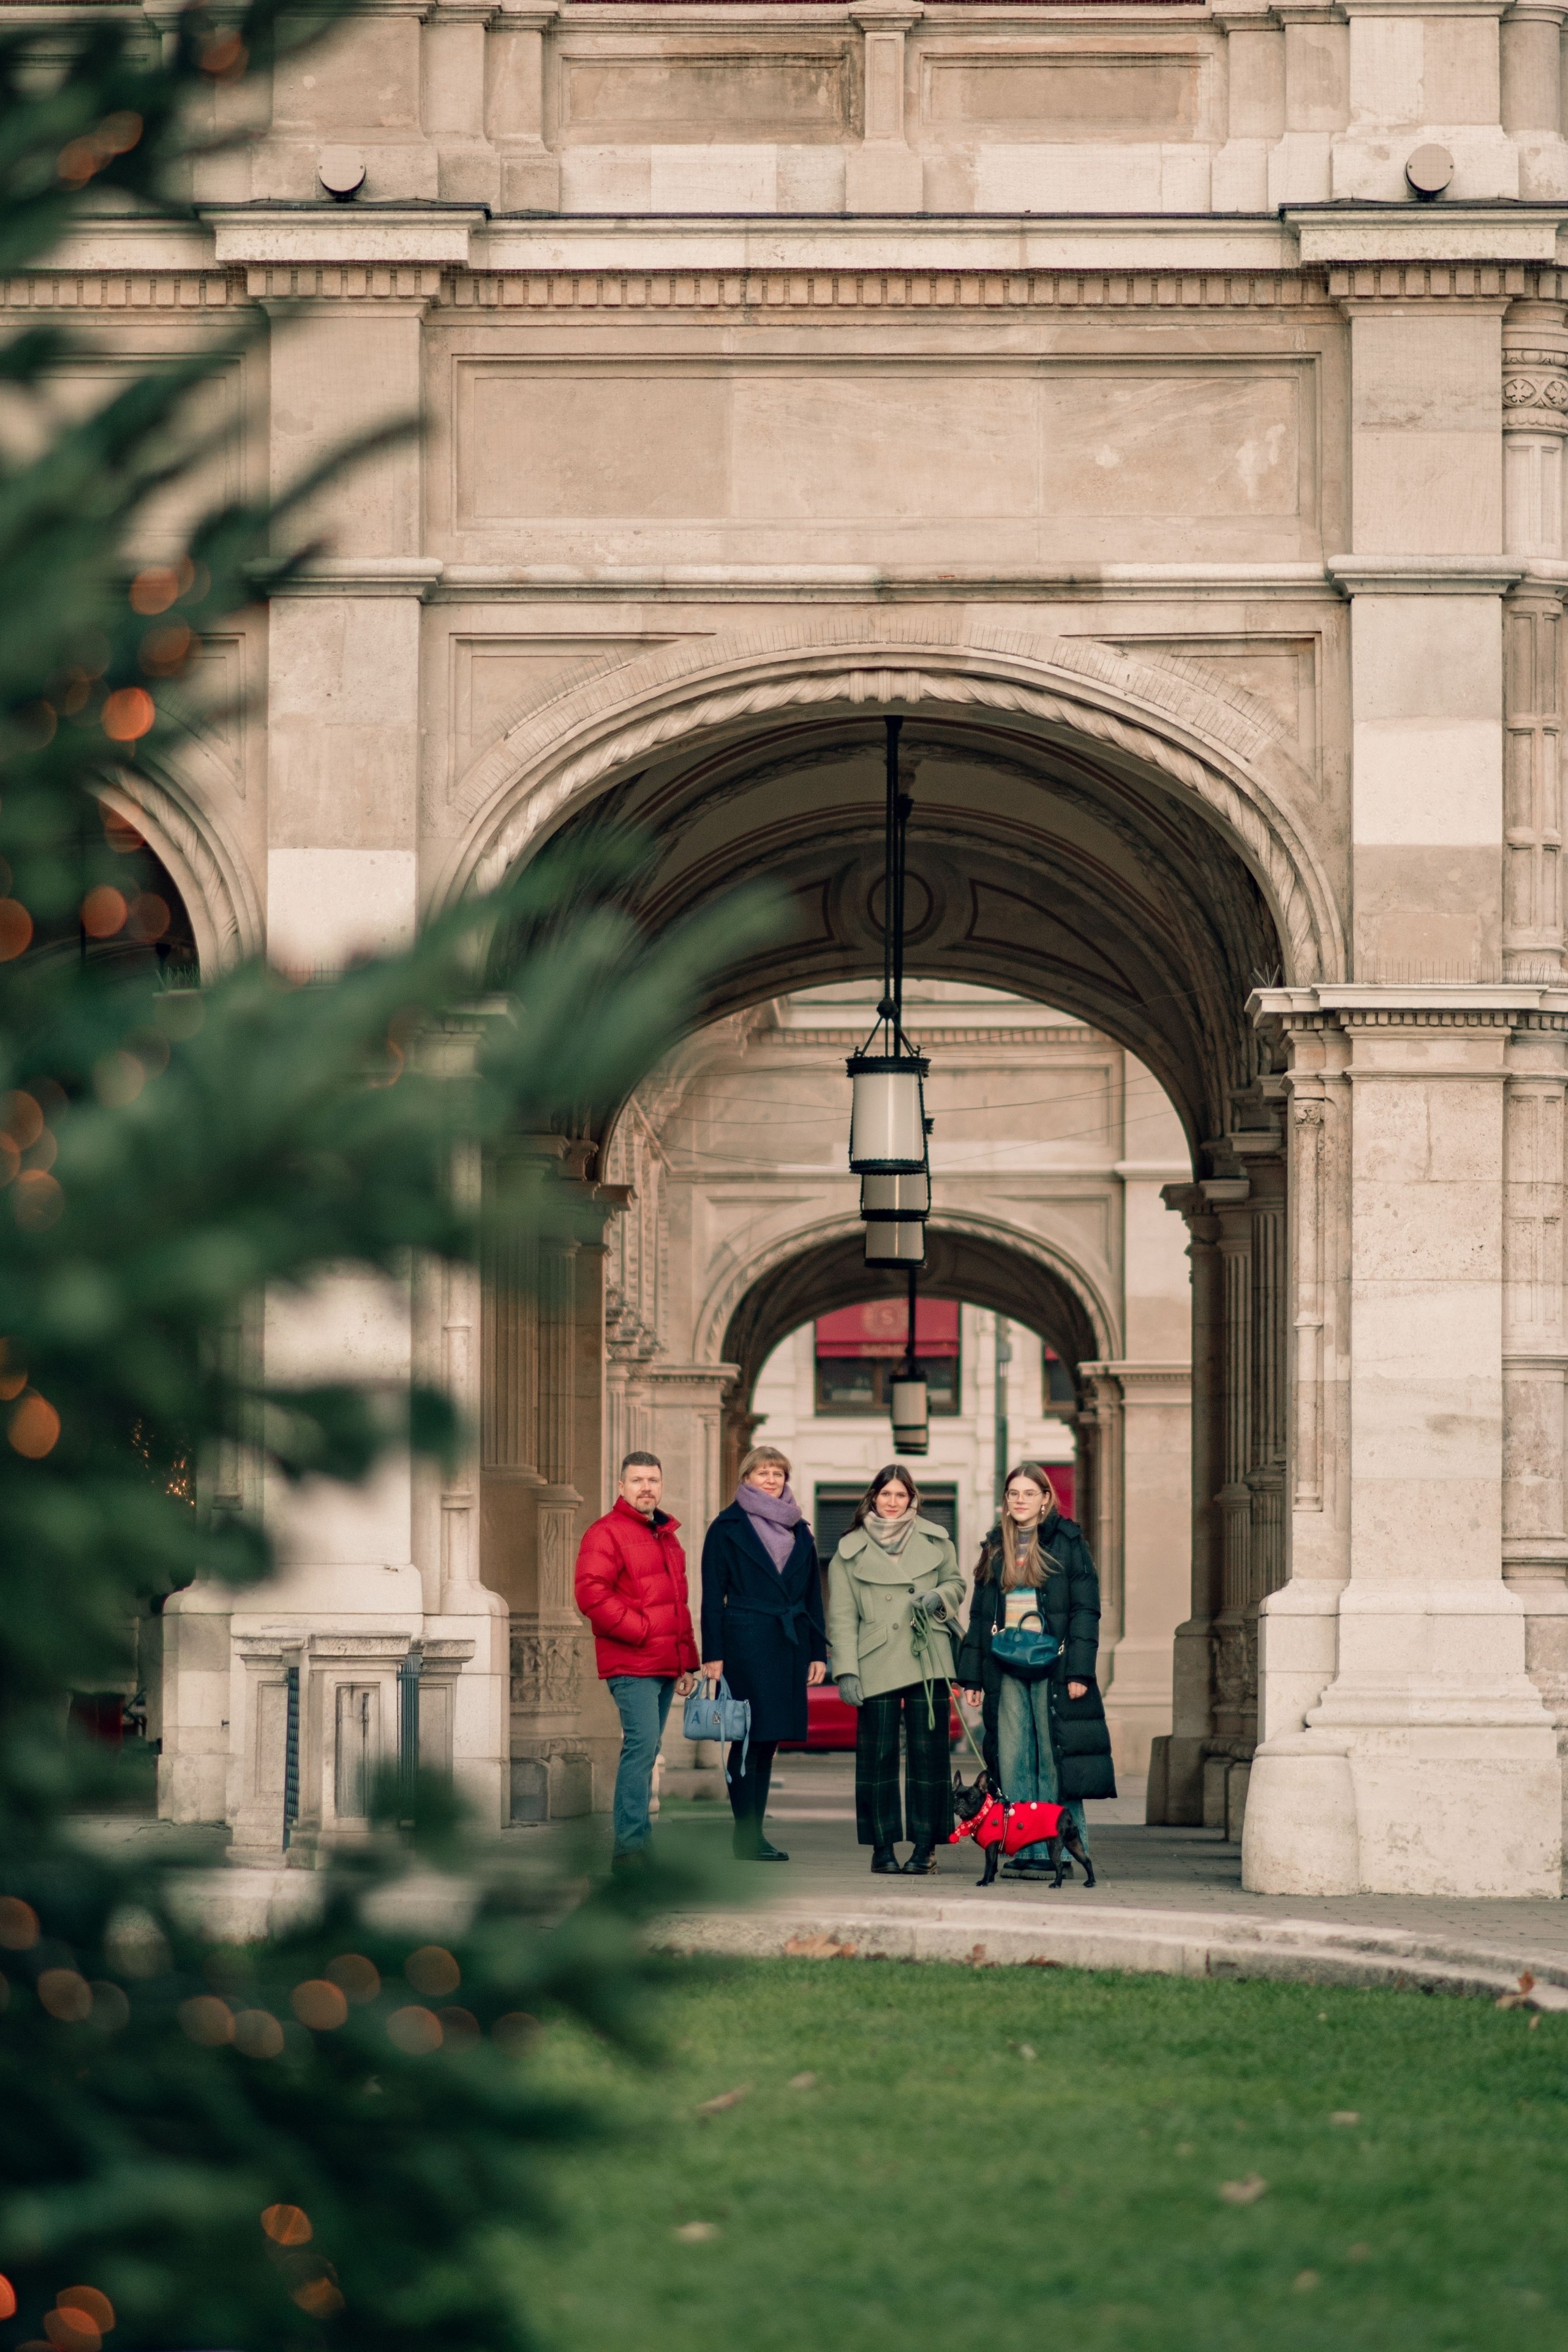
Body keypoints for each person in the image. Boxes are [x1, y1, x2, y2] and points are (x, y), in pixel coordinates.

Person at [956, 1460, 1115, 1880]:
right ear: (1006, 1501)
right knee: (1012, 1758)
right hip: (1005, 1663)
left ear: (1046, 1498)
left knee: (1052, 1757)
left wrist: (1080, 1671)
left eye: (1030, 1493)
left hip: (1054, 1665)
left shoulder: (1069, 1541)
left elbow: (1085, 1610)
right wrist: (971, 1676)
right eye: (1014, 1494)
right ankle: (1024, 1849)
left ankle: (1060, 1854)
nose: (1021, 1500)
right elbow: (979, 1615)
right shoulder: (995, 1545)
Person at [826, 1463, 965, 1876]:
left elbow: (957, 1585)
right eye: (885, 1494)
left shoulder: (937, 1540)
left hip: (928, 1656)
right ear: (873, 1497)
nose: (892, 1502)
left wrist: (939, 1596)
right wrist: (846, 1671)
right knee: (878, 1756)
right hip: (875, 1658)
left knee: (929, 1755)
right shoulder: (849, 1550)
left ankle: (926, 1847)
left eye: (900, 1495)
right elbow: (841, 1616)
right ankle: (881, 1847)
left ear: (912, 1499)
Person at [700, 1444, 827, 1861]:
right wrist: (713, 1653)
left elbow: (812, 1595)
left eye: (778, 1473)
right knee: (746, 1737)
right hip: (745, 1643)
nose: (771, 1480)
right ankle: (746, 1836)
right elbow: (711, 1595)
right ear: (747, 1478)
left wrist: (817, 1652)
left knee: (768, 1740)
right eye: (763, 1473)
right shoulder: (726, 1526)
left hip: (788, 1643)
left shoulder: (800, 1529)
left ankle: (754, 1835)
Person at [573, 1450, 699, 1869]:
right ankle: (628, 1850)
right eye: (637, 1480)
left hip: (664, 1663)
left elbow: (678, 1605)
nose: (646, 1487)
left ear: (661, 1485)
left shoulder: (668, 1536)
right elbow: (591, 1594)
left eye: (653, 1480)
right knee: (641, 1748)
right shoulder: (605, 1533)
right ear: (621, 1486)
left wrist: (687, 1661)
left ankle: (641, 1846)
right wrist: (642, 1631)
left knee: (648, 1751)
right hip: (631, 1663)